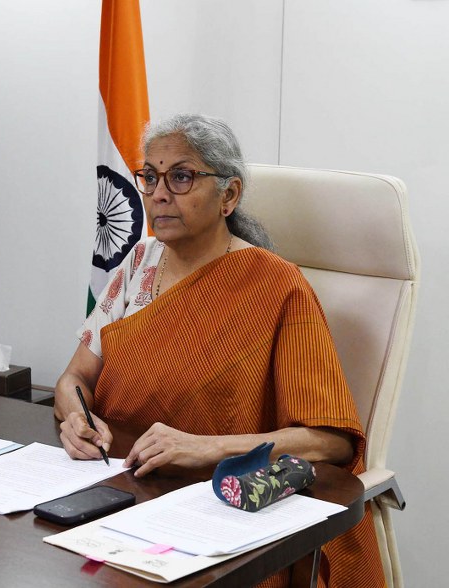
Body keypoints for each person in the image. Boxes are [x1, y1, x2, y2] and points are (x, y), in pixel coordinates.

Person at [55, 114, 385, 587]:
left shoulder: (276, 286)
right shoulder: (136, 265)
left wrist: (204, 449)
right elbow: (74, 380)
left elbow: (330, 440)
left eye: (181, 176)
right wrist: (76, 420)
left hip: (221, 508)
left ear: (228, 195)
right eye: (149, 176)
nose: (158, 193)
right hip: (122, 487)